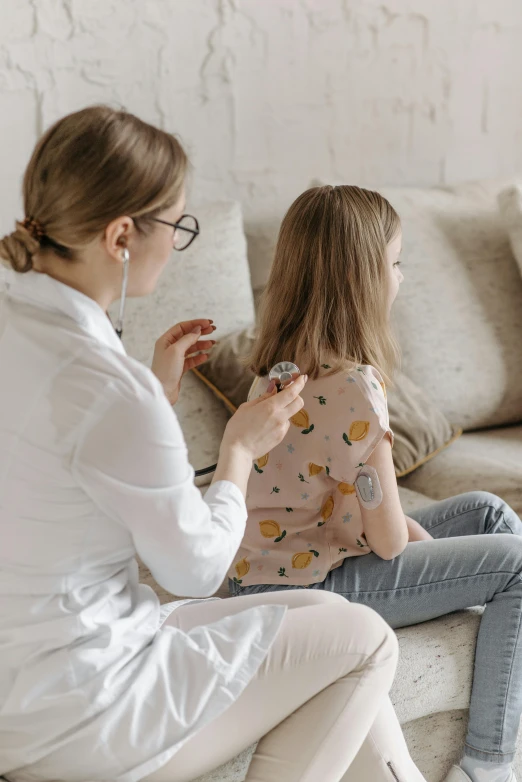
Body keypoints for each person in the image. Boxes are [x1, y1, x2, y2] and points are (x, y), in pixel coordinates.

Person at [0, 106, 426, 782]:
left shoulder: (24, 327)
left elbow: (66, 460)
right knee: (367, 640)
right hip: (90, 711)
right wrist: (238, 452)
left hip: (26, 686)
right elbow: (194, 571)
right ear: (119, 236)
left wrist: (156, 392)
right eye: (174, 225)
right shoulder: (110, 387)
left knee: (328, 611)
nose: (176, 244)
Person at [229, 184, 522, 782]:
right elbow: (388, 542)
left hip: (277, 563)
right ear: (362, 279)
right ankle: (489, 765)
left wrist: (408, 529)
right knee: (518, 563)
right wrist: (410, 534)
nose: (401, 278)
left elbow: (330, 500)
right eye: (395, 263)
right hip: (318, 585)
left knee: (489, 513)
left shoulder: (278, 371)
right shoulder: (358, 387)